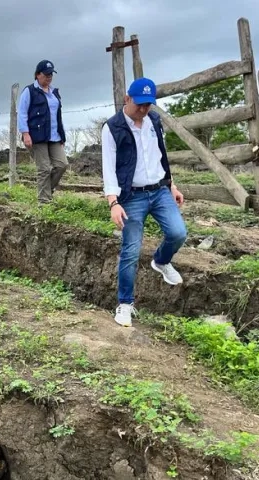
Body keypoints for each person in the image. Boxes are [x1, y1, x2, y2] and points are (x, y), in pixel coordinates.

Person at [101, 77, 187, 327]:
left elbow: (161, 156)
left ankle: (161, 261)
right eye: (139, 104)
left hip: (159, 190)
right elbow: (108, 168)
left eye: (148, 104)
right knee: (130, 251)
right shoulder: (112, 127)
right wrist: (113, 202)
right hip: (131, 196)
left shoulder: (154, 121)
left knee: (178, 233)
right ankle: (125, 304)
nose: (144, 109)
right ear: (127, 99)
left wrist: (172, 185)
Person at [18, 59, 68, 204]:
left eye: (51, 74)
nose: (49, 77)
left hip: (54, 136)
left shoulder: (54, 93)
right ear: (37, 75)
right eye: (46, 74)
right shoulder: (29, 91)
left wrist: (62, 136)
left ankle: (46, 190)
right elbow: (22, 113)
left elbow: (58, 116)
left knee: (62, 165)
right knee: (44, 168)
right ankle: (44, 202)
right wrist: (25, 133)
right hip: (37, 136)